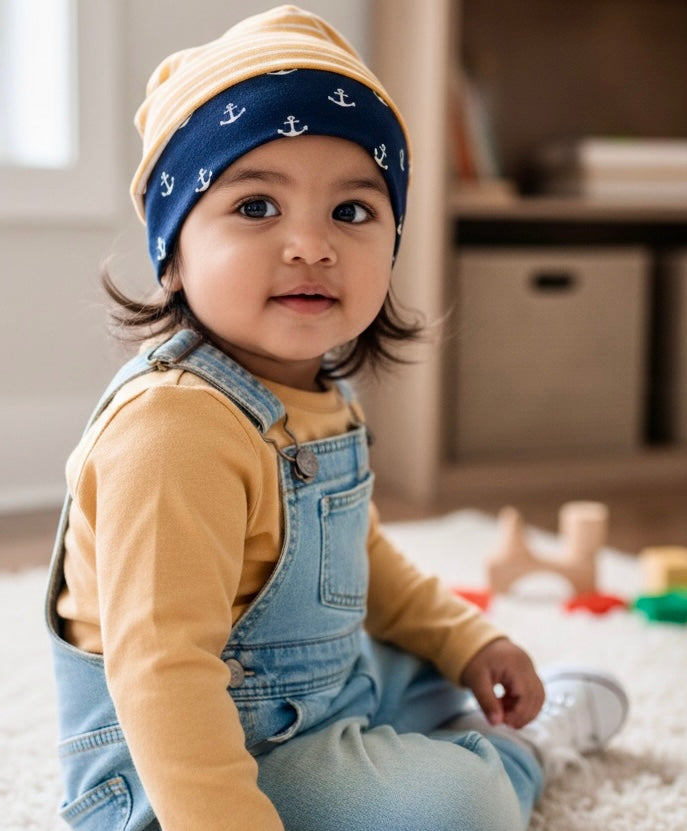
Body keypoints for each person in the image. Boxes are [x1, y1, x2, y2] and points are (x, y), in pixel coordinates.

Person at [45, 7, 628, 830]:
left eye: (351, 213)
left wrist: (466, 641)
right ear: (172, 253)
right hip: (182, 761)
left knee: (423, 667)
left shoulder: (313, 392)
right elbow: (162, 670)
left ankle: (450, 725)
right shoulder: (172, 430)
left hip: (316, 686)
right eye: (255, 207)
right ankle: (525, 753)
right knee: (462, 806)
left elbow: (357, 556)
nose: (310, 245)